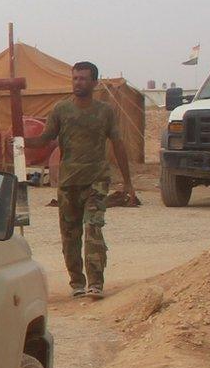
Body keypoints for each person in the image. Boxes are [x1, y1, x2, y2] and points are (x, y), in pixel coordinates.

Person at [37, 61, 137, 299]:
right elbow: (45, 139)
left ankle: (95, 283)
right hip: (68, 181)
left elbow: (118, 144)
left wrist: (128, 181)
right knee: (70, 236)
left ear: (94, 82)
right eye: (75, 78)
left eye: (83, 79)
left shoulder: (105, 111)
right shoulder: (61, 110)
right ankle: (77, 282)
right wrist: (18, 141)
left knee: (93, 229)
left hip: (96, 180)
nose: (78, 83)